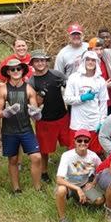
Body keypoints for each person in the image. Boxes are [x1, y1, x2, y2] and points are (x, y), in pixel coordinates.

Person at [0, 58, 43, 193]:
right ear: (8, 72)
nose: (16, 71)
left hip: (26, 129)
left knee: (36, 157)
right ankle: (16, 188)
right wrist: (5, 113)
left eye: (18, 69)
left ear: (22, 71)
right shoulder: (3, 90)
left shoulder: (29, 89)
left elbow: (35, 111)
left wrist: (36, 113)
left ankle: (37, 188)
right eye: (12, 69)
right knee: (13, 159)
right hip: (9, 130)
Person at [29, 49, 72, 182]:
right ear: (33, 64)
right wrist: (41, 93)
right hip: (45, 120)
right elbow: (35, 103)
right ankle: (44, 172)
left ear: (47, 62)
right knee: (44, 149)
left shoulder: (56, 74)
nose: (40, 63)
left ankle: (70, 168)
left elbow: (70, 86)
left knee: (69, 144)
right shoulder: (32, 82)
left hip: (62, 116)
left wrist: (65, 84)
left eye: (42, 60)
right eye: (37, 61)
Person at [54, 130, 105, 222]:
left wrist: (93, 183)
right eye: (79, 140)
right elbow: (59, 179)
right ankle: (62, 219)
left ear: (89, 142)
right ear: (74, 141)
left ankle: (79, 199)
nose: (82, 143)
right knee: (61, 190)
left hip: (84, 184)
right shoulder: (67, 156)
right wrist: (77, 188)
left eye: (86, 141)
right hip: (68, 185)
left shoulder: (93, 156)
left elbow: (101, 170)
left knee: (100, 200)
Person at [63, 50, 109, 156]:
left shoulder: (100, 81)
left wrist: (102, 121)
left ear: (97, 62)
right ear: (83, 61)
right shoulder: (74, 78)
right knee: (76, 152)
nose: (90, 62)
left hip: (94, 122)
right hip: (77, 122)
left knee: (94, 153)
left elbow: (103, 103)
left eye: (93, 60)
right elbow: (67, 99)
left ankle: (94, 172)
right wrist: (82, 98)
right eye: (87, 60)